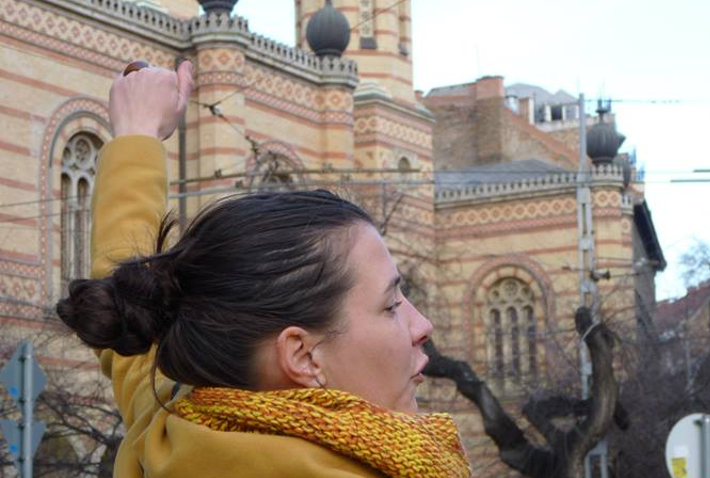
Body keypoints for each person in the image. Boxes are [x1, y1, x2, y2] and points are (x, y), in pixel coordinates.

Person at [56, 62, 471, 478]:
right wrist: (138, 135)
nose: (423, 325)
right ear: (303, 355)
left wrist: (136, 136)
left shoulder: (167, 436)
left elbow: (130, 304)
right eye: (391, 305)